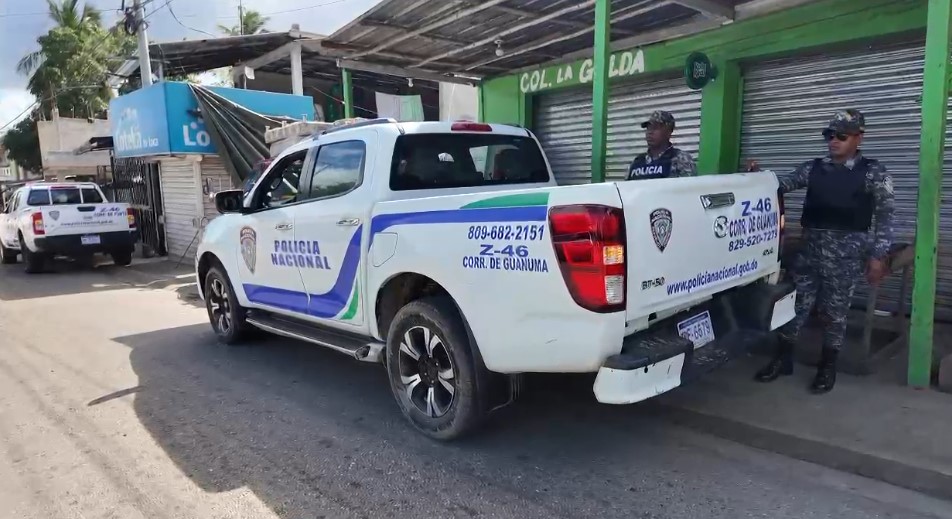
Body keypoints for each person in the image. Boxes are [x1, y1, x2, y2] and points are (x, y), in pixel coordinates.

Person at [752, 109, 895, 394]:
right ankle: (783, 359)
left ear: (859, 138)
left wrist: (879, 256)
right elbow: (780, 185)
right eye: (830, 135)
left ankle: (827, 367)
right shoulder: (813, 168)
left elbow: (887, 216)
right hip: (809, 255)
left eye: (841, 136)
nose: (834, 141)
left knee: (835, 314)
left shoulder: (873, 172)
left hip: (846, 260)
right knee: (794, 308)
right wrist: (756, 178)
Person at [627, 110, 697, 180]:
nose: (650, 132)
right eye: (648, 128)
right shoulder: (637, 161)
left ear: (668, 132)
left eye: (655, 128)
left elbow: (688, 188)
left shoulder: (681, 160)